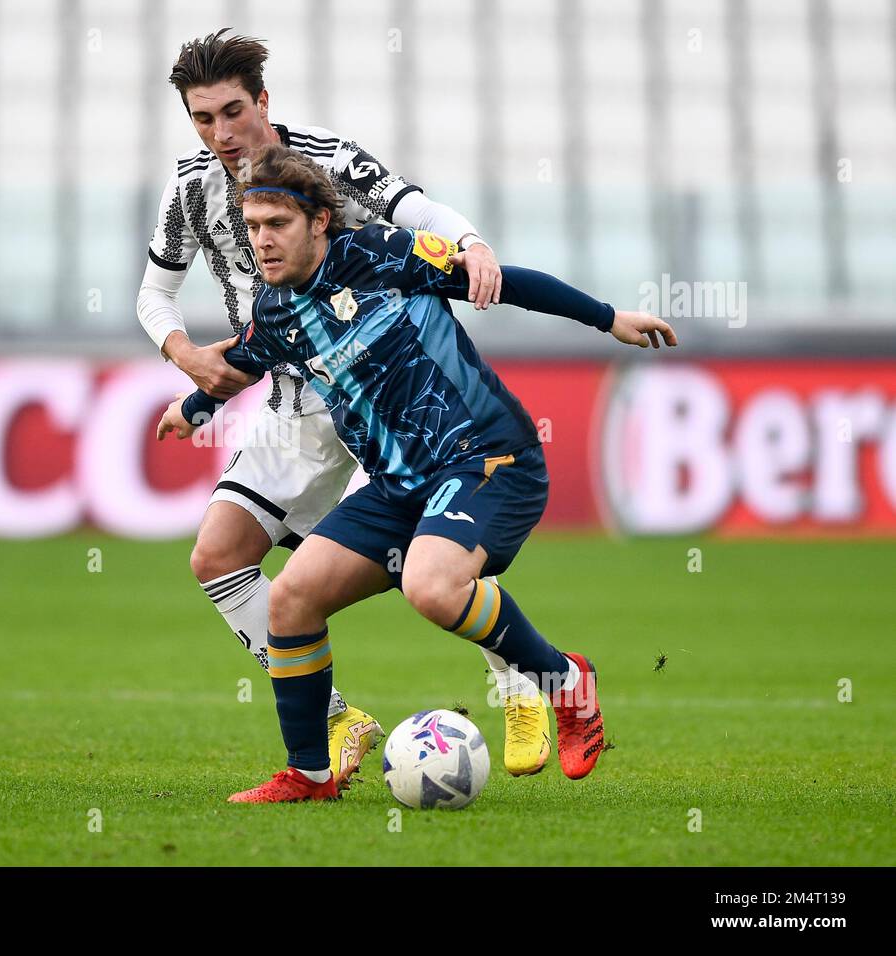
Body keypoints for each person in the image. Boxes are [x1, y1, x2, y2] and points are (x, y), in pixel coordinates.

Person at [156, 144, 678, 802]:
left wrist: (608, 319)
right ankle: (311, 776)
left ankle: (564, 682)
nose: (261, 241)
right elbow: (249, 359)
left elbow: (499, 280)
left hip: (487, 458)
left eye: (277, 225)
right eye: (253, 226)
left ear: (319, 221)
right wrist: (194, 406)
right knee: (291, 599)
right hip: (398, 488)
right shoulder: (278, 307)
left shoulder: (382, 254)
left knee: (431, 585)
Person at [138, 28, 551, 785]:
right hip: (291, 404)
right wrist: (189, 361)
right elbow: (153, 295)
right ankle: (336, 720)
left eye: (232, 111)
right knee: (217, 558)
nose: (220, 133)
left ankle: (521, 677)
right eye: (202, 118)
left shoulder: (325, 159)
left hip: (380, 398)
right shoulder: (191, 189)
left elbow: (414, 207)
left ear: (263, 101)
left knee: (432, 559)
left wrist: (473, 244)